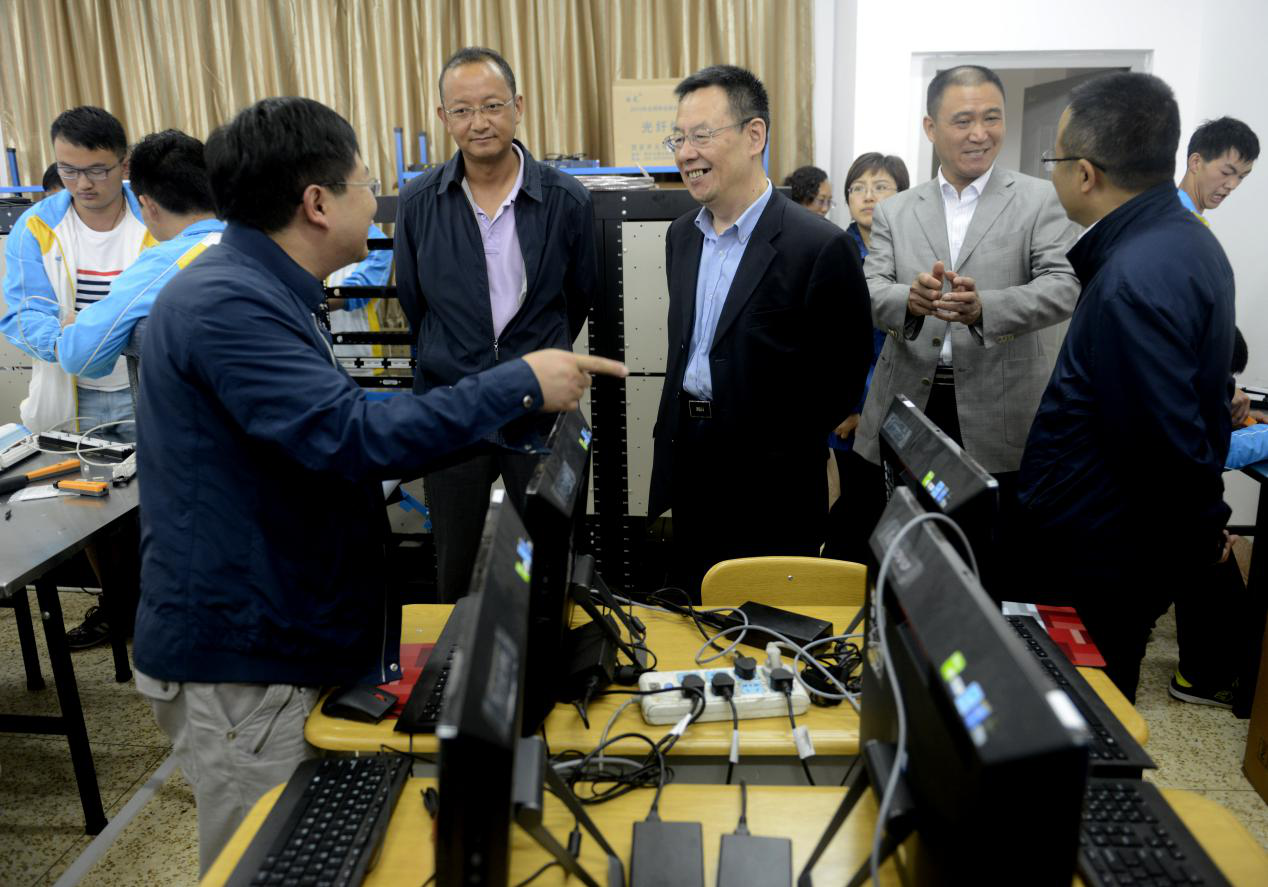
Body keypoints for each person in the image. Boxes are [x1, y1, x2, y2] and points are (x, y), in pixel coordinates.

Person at [130, 96, 626, 871]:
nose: (377, 200)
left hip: (288, 633)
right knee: (271, 863)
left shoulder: (264, 290)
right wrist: (519, 383)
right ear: (317, 203)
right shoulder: (227, 305)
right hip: (245, 658)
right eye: (366, 183)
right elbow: (352, 435)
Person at [1018, 72, 1235, 703]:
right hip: (1115, 544)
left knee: (1084, 711)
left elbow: (1160, 441)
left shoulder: (1133, 278)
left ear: (1085, 174)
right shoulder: (1184, 241)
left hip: (1098, 556)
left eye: (1055, 162)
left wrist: (1205, 531)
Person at [647, 64, 873, 598]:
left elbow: (844, 376)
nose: (686, 153)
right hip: (690, 461)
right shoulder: (682, 237)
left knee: (769, 625)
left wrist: (774, 441)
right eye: (678, 138)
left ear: (754, 136)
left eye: (702, 135)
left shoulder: (817, 246)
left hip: (773, 484)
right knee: (696, 611)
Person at [852, 65, 1080, 583]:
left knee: (990, 561)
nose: (980, 133)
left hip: (1001, 406)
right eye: (963, 121)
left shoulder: (1039, 198)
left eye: (991, 118)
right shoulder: (896, 211)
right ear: (931, 128)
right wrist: (909, 301)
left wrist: (987, 309)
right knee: (905, 555)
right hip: (911, 404)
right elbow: (869, 290)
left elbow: (1064, 285)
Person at [395, 47, 599, 602]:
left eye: (492, 105)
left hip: (541, 406)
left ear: (518, 107)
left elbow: (578, 296)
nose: (478, 122)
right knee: (457, 567)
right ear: (443, 118)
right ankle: (459, 658)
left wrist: (534, 354)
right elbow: (415, 301)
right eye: (462, 110)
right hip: (451, 405)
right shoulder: (419, 202)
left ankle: (548, 655)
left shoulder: (566, 199)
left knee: (549, 565)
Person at [41, 130, 225, 651]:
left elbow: (81, 354)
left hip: (197, 464)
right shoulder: (261, 244)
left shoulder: (163, 263)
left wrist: (85, 325)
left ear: (145, 204)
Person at [1, 106, 153, 438]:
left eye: (97, 170)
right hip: (72, 394)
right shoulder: (35, 227)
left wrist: (86, 327)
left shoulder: (155, 215)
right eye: (68, 170)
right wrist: (68, 345)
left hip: (147, 389)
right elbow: (23, 315)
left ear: (124, 163)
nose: (83, 184)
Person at [822, 152, 909, 563]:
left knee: (893, 523)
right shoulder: (832, 251)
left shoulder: (914, 255)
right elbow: (827, 341)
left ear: (903, 195)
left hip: (896, 409)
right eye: (858, 188)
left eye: (880, 187)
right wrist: (847, 408)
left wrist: (870, 408)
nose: (868, 196)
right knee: (846, 521)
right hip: (841, 416)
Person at [1177, 116, 1258, 221]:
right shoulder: (1175, 219)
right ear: (1196, 162)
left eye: (1241, 176)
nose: (1233, 185)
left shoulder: (1178, 214)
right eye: (1226, 172)